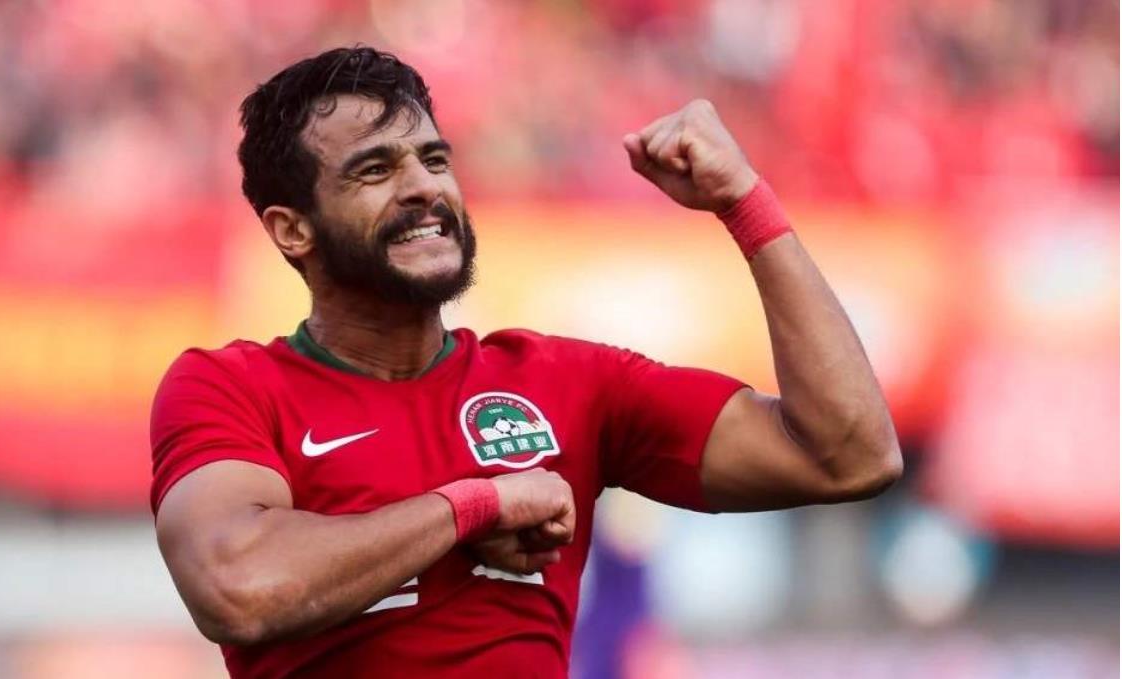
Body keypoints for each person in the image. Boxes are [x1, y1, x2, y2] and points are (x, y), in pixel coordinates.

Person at [150, 46, 902, 679]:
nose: (424, 187)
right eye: (375, 170)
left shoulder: (566, 382)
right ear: (292, 230)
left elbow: (849, 456)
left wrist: (745, 202)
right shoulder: (229, 387)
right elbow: (238, 585)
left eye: (434, 159)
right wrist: (475, 506)